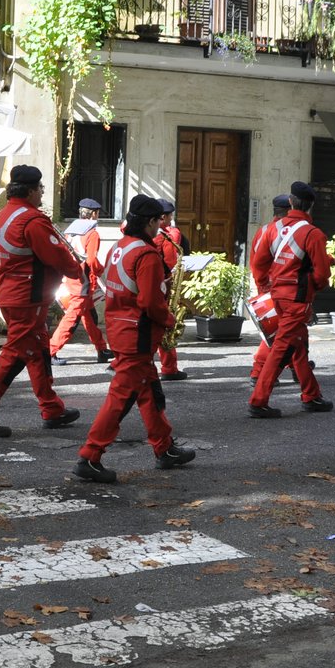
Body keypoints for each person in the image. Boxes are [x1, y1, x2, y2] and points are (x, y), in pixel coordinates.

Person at [72, 195, 196, 483]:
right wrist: (169, 319)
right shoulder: (147, 254)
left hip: (120, 326)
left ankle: (165, 449)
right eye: (158, 223)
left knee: (149, 392)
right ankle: (90, 456)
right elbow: (151, 301)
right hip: (137, 333)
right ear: (152, 222)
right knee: (121, 397)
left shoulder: (121, 246)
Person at [0, 165, 83, 437]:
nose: (42, 193)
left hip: (11, 292)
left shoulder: (4, 214)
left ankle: (52, 408)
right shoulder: (32, 220)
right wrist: (78, 272)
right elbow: (58, 257)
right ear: (30, 191)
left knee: (38, 348)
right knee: (15, 354)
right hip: (28, 296)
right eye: (40, 188)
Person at [247, 181, 333, 418]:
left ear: (291, 203)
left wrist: (266, 285)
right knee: (282, 348)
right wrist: (313, 285)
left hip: (278, 297)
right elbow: (322, 273)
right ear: (310, 205)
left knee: (298, 346)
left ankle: (311, 395)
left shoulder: (272, 230)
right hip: (297, 298)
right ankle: (258, 400)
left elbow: (259, 263)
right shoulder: (313, 233)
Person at [248, 194, 306, 386]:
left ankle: (299, 368)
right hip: (279, 290)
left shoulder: (264, 230)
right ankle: (259, 371)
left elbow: (256, 263)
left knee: (292, 332)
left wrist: (262, 285)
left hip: (270, 288)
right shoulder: (287, 231)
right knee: (278, 333)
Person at [49, 197, 112, 364]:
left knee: (89, 316)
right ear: (93, 215)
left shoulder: (71, 231)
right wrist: (100, 270)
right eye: (97, 214)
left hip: (70, 277)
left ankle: (102, 349)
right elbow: (91, 261)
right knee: (72, 317)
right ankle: (51, 350)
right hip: (82, 280)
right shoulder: (92, 233)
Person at [154, 198, 189, 381]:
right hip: (163, 287)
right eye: (169, 217)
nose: (171, 220)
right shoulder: (166, 236)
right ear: (162, 217)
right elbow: (170, 263)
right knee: (165, 326)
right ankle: (169, 367)